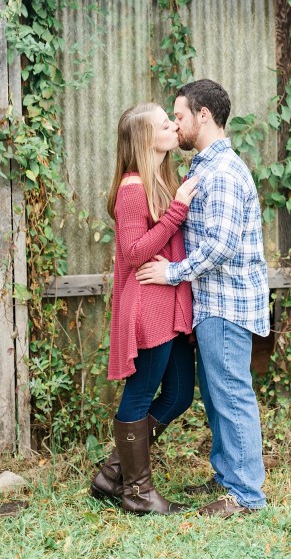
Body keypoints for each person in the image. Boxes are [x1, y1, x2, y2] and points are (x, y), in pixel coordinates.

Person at [135, 79, 269, 518]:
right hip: (211, 305)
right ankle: (228, 478)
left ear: (203, 115)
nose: (176, 125)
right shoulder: (202, 168)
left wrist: (170, 273)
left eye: (179, 116)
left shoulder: (224, 172)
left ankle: (246, 496)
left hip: (227, 305)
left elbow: (221, 246)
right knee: (216, 395)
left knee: (231, 394)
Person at [91, 102, 199, 514]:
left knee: (177, 396)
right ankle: (136, 493)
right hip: (147, 308)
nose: (173, 126)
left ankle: (113, 472)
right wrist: (177, 211)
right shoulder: (133, 189)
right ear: (144, 139)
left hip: (167, 303)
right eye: (163, 124)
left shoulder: (158, 181)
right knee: (139, 396)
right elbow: (135, 253)